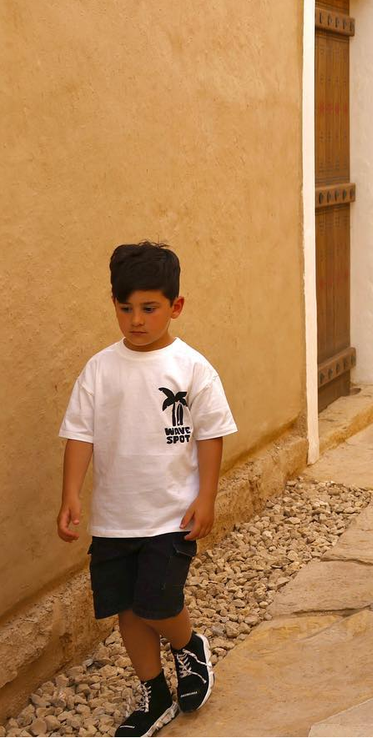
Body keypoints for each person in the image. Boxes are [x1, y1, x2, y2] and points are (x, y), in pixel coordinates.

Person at [57, 242, 236, 737]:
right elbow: (79, 433)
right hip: (114, 518)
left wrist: (206, 497)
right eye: (125, 308)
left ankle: (189, 647)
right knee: (127, 610)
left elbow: (210, 433)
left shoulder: (192, 368)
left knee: (159, 603)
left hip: (170, 515)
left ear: (175, 307)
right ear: (114, 303)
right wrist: (71, 494)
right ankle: (154, 694)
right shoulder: (99, 369)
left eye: (149, 308)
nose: (136, 320)